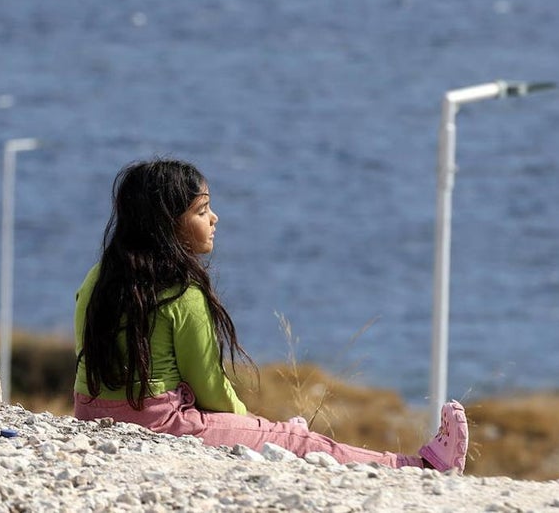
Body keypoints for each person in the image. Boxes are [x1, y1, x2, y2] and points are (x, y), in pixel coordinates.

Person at [73, 158, 468, 472]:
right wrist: (255, 427)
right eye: (202, 210)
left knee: (281, 433)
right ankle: (418, 466)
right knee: (296, 441)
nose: (215, 219)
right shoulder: (181, 291)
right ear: (167, 224)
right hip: (159, 424)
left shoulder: (100, 277)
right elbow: (209, 388)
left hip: (89, 412)